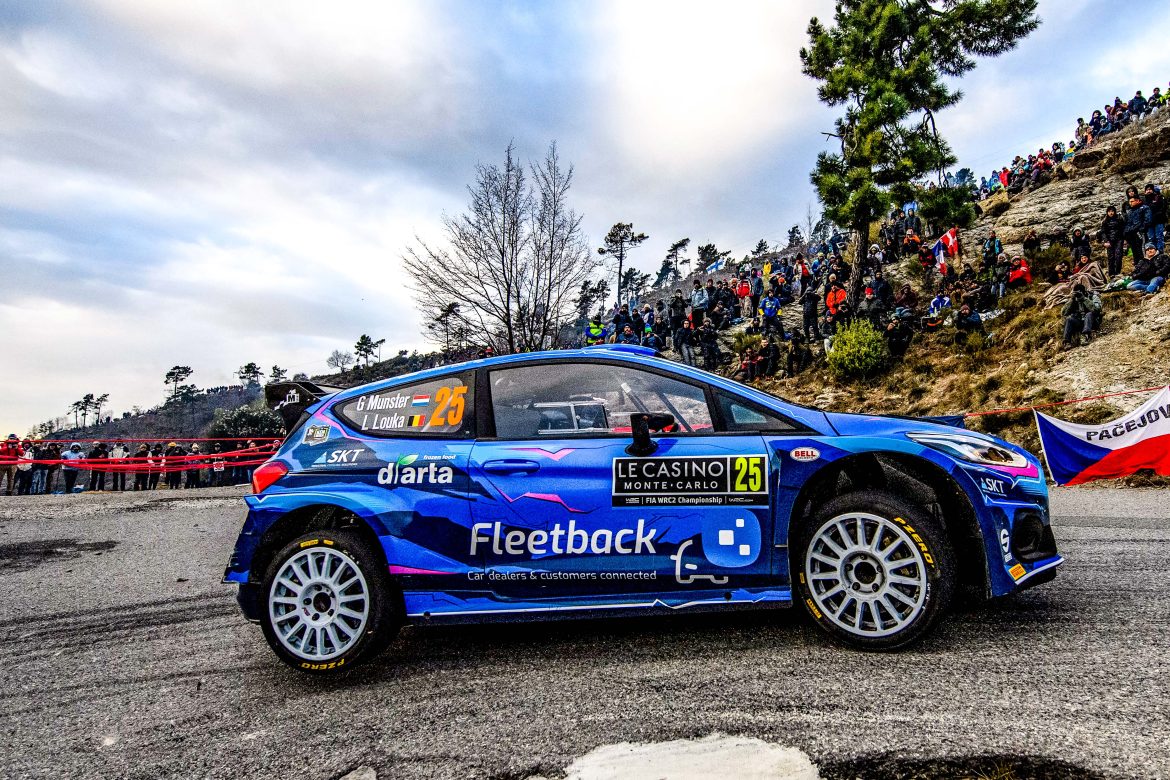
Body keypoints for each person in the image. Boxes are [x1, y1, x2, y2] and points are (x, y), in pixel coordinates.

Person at [1123, 194, 1151, 268]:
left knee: (1142, 248)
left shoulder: (1144, 208)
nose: (1130, 203)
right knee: (1134, 250)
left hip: (1140, 232)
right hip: (1131, 234)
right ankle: (1137, 266)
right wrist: (1126, 233)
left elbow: (1147, 220)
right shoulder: (1130, 211)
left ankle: (1145, 265)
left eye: (1132, 201)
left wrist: (1141, 229)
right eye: (1129, 202)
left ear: (1138, 201)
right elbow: (1127, 223)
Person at [1099, 205, 1126, 276]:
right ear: (1107, 212)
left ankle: (1118, 272)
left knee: (1118, 256)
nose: (1111, 213)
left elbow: (1123, 229)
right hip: (1109, 241)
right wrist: (1105, 241)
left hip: (1119, 240)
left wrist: (1124, 238)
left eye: (1112, 211)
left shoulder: (1119, 219)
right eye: (1109, 211)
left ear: (1115, 212)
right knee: (1110, 257)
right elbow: (1103, 232)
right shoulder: (1105, 221)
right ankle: (1111, 274)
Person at [1144, 184, 1166, 252]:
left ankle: (1160, 253)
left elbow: (1163, 208)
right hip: (1149, 223)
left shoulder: (1159, 197)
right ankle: (1153, 253)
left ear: (1153, 190)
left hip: (1158, 221)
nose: (1148, 191)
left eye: (1150, 189)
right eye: (1147, 190)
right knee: (1151, 238)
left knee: (1159, 237)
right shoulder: (1144, 200)